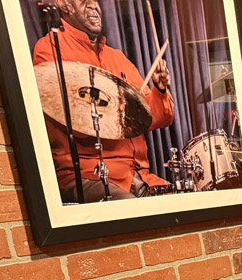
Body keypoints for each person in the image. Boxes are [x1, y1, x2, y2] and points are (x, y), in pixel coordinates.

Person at [32, 0, 174, 202]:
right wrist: (119, 109)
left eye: (95, 1)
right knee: (132, 210)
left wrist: (159, 90)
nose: (94, 5)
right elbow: (75, 122)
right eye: (84, 1)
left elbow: (157, 118)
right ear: (65, 6)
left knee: (181, 206)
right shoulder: (50, 48)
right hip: (90, 175)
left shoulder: (117, 58)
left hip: (139, 175)